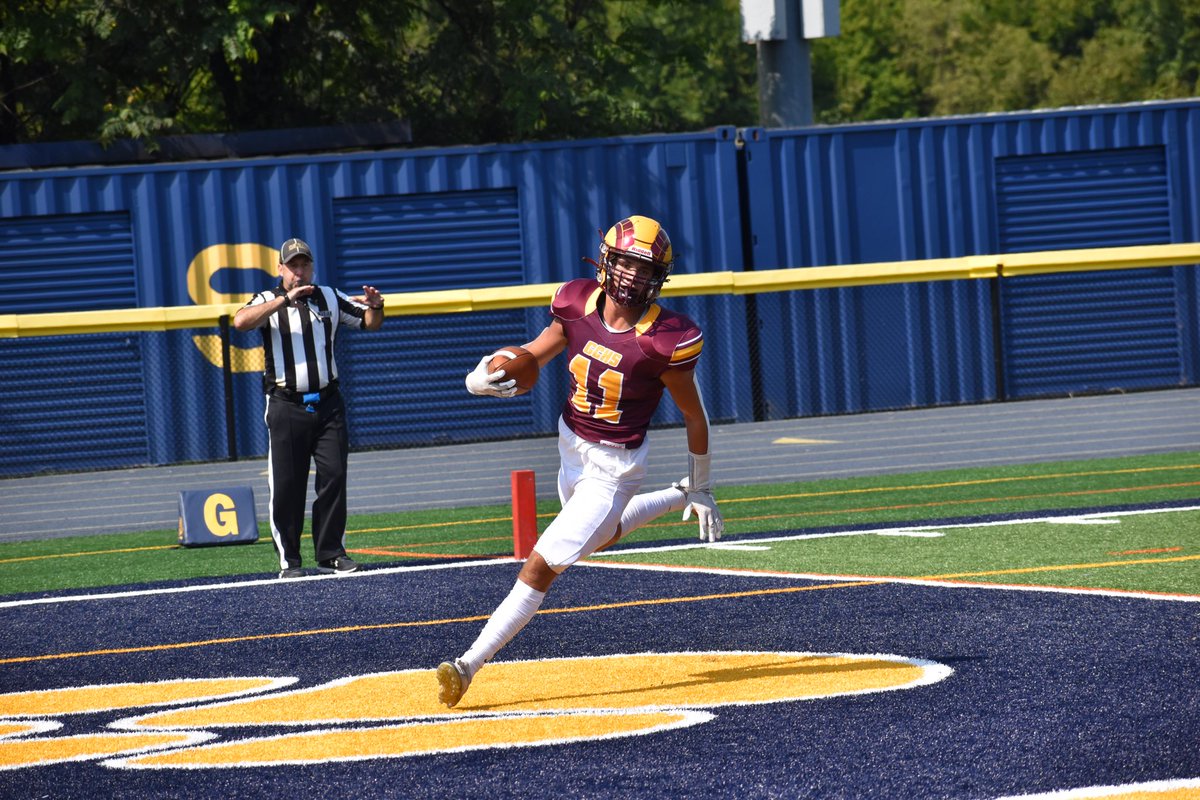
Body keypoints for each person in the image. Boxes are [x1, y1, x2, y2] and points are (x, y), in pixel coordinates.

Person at [437, 214, 724, 707]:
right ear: (606, 261)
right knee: (600, 536)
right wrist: (480, 377)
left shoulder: (666, 338)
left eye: (645, 268)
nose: (633, 276)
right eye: (627, 263)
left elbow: (693, 415)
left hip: (615, 466)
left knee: (541, 565)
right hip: (570, 444)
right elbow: (534, 352)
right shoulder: (575, 302)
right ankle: (673, 495)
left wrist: (703, 480)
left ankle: (467, 665)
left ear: (660, 277)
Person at [233, 237, 385, 579]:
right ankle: (290, 560)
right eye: (293, 266)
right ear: (280, 269)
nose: (299, 272)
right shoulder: (268, 299)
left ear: (312, 267)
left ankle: (331, 553)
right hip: (286, 404)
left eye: (304, 265)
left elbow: (369, 322)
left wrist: (376, 306)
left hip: (328, 403)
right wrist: (285, 300)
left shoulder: (329, 296)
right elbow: (241, 321)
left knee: (334, 476)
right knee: (287, 485)